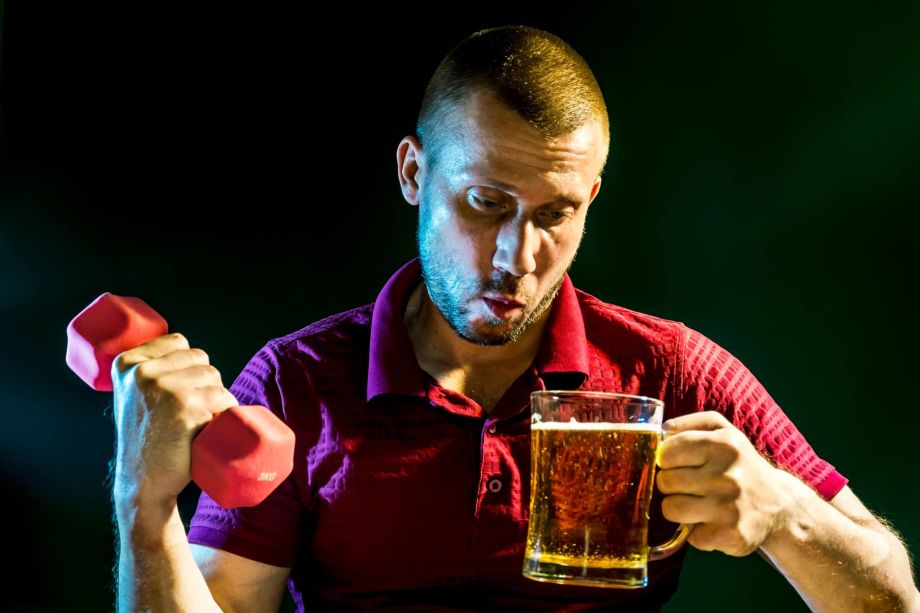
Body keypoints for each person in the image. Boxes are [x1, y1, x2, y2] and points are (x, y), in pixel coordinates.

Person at [109, 25, 919, 612]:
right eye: (486, 203)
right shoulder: (293, 382)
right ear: (413, 173)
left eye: (555, 213)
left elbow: (893, 600)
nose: (517, 256)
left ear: (590, 198)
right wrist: (143, 512)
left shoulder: (672, 371)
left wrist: (783, 510)